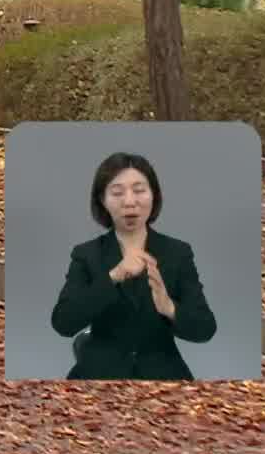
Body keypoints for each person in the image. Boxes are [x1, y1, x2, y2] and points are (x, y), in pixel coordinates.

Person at [50, 152, 217, 380]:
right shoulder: (87, 254)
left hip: (164, 376)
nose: (129, 202)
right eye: (117, 193)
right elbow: (63, 323)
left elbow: (205, 328)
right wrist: (114, 276)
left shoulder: (178, 253)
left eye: (139, 191)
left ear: (154, 196)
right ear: (102, 200)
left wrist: (169, 307)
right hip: (98, 374)